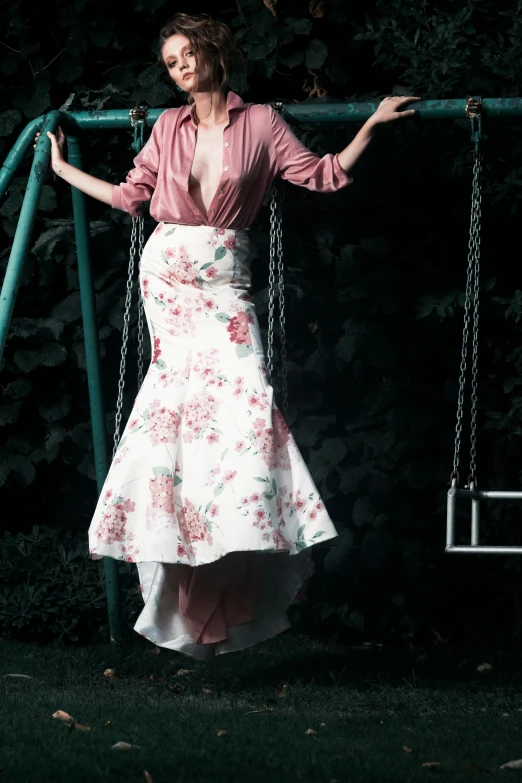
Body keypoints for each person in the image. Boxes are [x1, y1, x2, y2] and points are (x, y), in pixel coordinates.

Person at [35, 12, 420, 661]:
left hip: (224, 291)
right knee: (174, 428)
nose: (179, 69)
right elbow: (133, 197)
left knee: (244, 419)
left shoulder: (262, 123)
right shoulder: (165, 127)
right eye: (170, 63)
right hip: (168, 287)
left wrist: (371, 127)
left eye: (187, 55)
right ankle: (177, 578)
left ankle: (237, 566)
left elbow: (321, 175)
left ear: (215, 53)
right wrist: (65, 172)